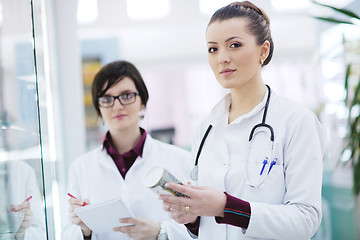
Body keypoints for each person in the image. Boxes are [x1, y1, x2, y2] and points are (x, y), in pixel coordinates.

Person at [160, 1, 327, 240]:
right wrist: (192, 218)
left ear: (263, 50)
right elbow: (207, 226)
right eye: (213, 49)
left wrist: (226, 207)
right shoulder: (205, 128)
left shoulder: (297, 122)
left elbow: (305, 220)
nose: (222, 58)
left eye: (234, 45)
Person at [62, 60, 192, 240]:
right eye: (107, 99)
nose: (117, 106)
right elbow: (67, 233)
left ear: (142, 102)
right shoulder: (80, 167)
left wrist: (160, 232)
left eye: (127, 96)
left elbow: (200, 227)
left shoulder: (180, 160)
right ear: (99, 107)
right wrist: (84, 230)